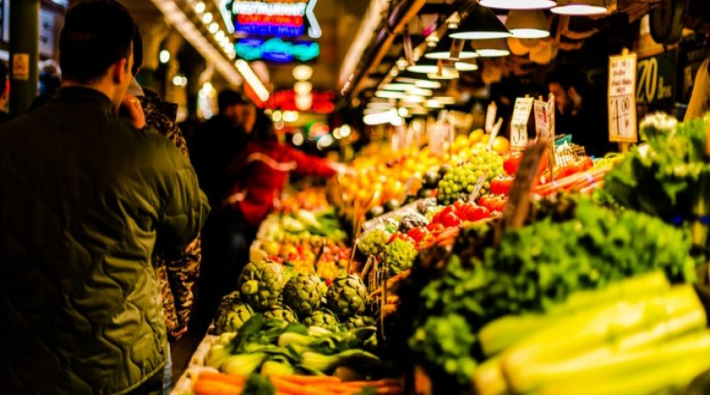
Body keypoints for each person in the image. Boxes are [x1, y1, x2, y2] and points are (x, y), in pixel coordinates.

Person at [0, 2, 210, 395]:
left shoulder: (8, 140)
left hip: (24, 366)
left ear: (62, 59)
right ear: (123, 67)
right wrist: (143, 137)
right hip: (124, 367)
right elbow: (188, 222)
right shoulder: (152, 150)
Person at [222, 113, 346, 268]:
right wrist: (338, 168)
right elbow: (310, 163)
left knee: (234, 260)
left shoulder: (251, 150)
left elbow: (231, 172)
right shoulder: (284, 153)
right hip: (257, 210)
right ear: (274, 132)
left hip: (242, 210)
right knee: (241, 254)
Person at [191, 90, 255, 319]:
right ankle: (219, 309)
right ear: (232, 108)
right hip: (226, 206)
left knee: (208, 257)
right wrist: (246, 129)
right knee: (227, 261)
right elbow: (243, 165)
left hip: (204, 201)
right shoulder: (234, 132)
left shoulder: (204, 129)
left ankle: (203, 309)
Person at [546, 64, 612, 157]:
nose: (553, 101)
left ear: (571, 91)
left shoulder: (598, 117)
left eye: (556, 94)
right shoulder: (560, 118)